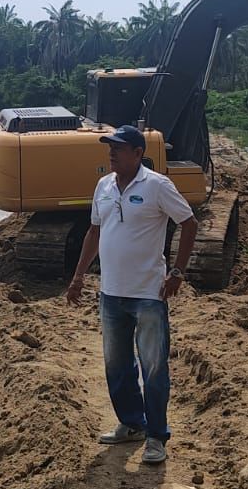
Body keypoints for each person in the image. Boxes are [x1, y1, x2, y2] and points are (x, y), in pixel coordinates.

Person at [66, 125, 198, 465]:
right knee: (117, 365)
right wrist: (79, 276)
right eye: (110, 148)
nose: (111, 154)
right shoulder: (103, 186)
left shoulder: (156, 185)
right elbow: (94, 232)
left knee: (154, 368)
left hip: (148, 294)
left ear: (138, 153)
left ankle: (156, 436)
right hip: (111, 293)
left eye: (119, 148)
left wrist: (177, 272)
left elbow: (189, 222)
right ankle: (132, 423)